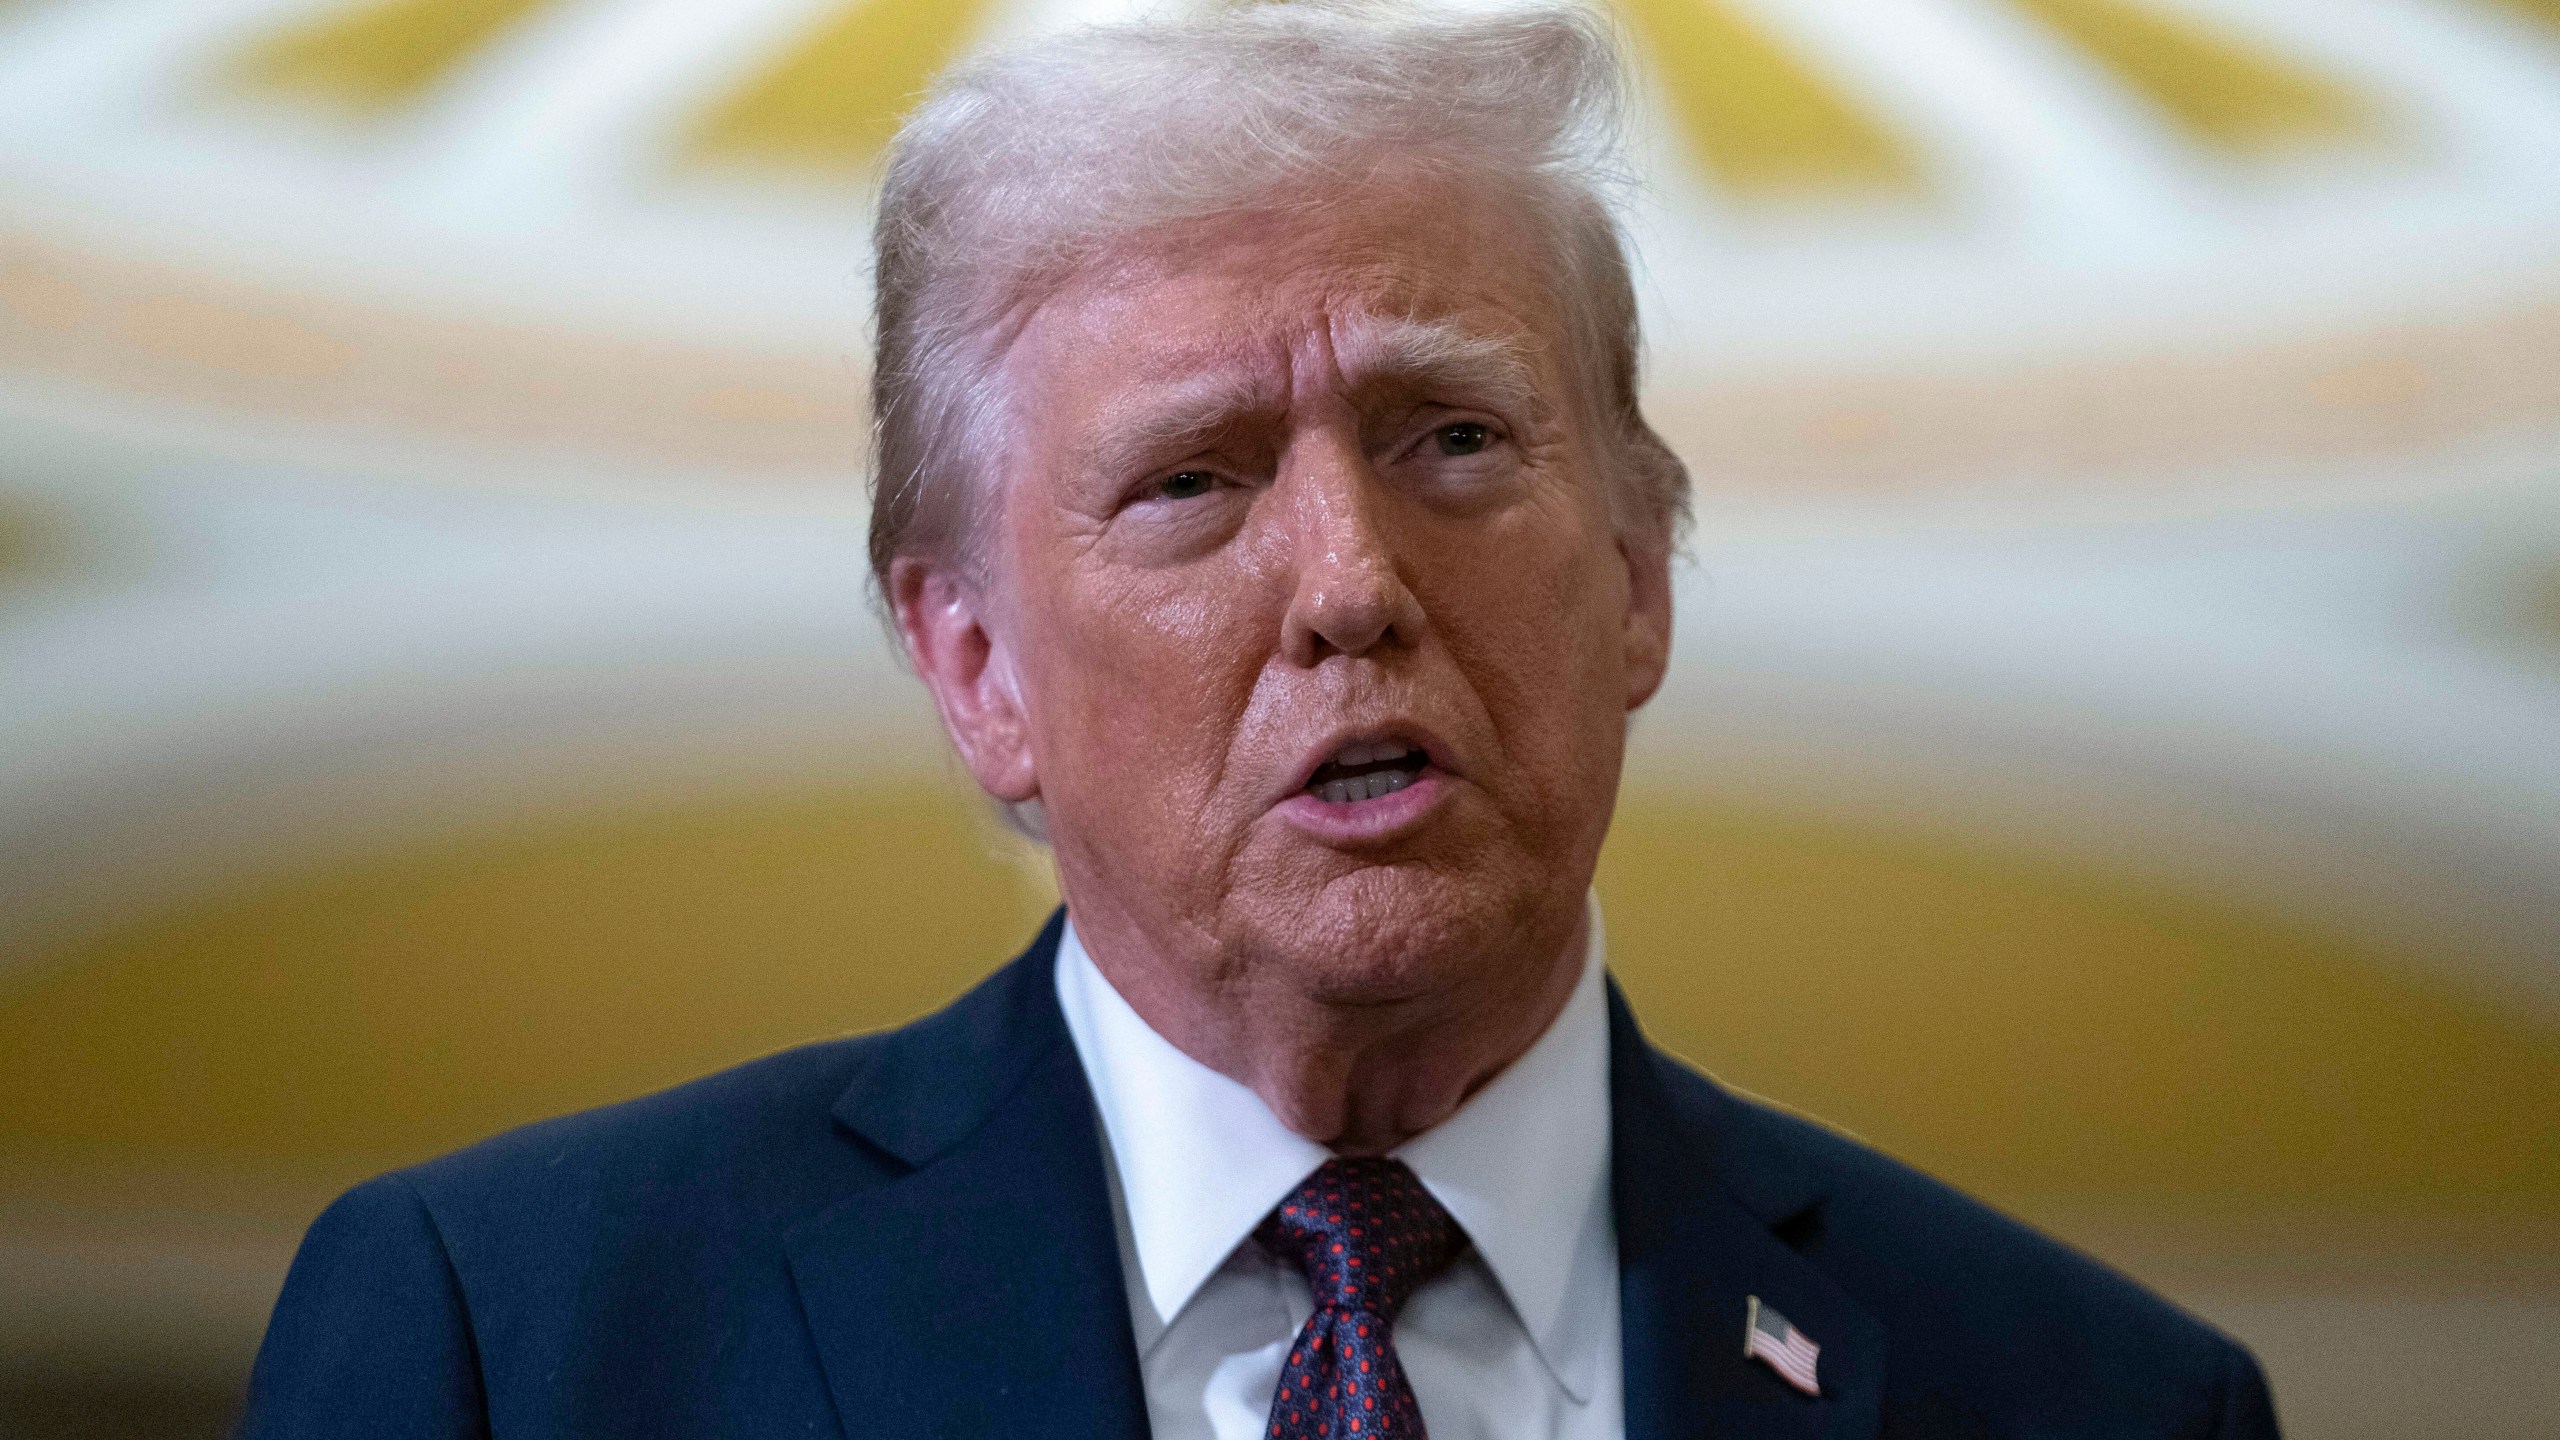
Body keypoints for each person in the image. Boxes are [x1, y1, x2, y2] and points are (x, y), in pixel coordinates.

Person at [237, 4, 2279, 1437]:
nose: (1348, 583)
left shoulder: (2088, 1399)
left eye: (1454, 438)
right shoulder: (519, 1343)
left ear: (1640, 576)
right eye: (1191, 480)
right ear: (975, 672)